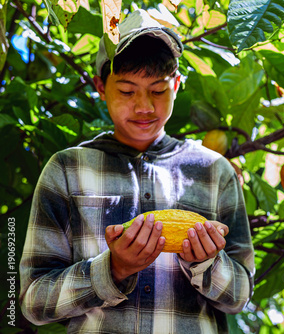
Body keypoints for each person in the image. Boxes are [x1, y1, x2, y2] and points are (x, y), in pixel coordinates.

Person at [19, 9, 255, 333]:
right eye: (127, 91)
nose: (144, 106)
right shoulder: (66, 169)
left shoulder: (215, 171)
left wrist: (206, 264)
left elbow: (240, 297)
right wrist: (112, 270)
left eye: (158, 90)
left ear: (177, 84)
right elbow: (33, 301)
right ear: (101, 87)